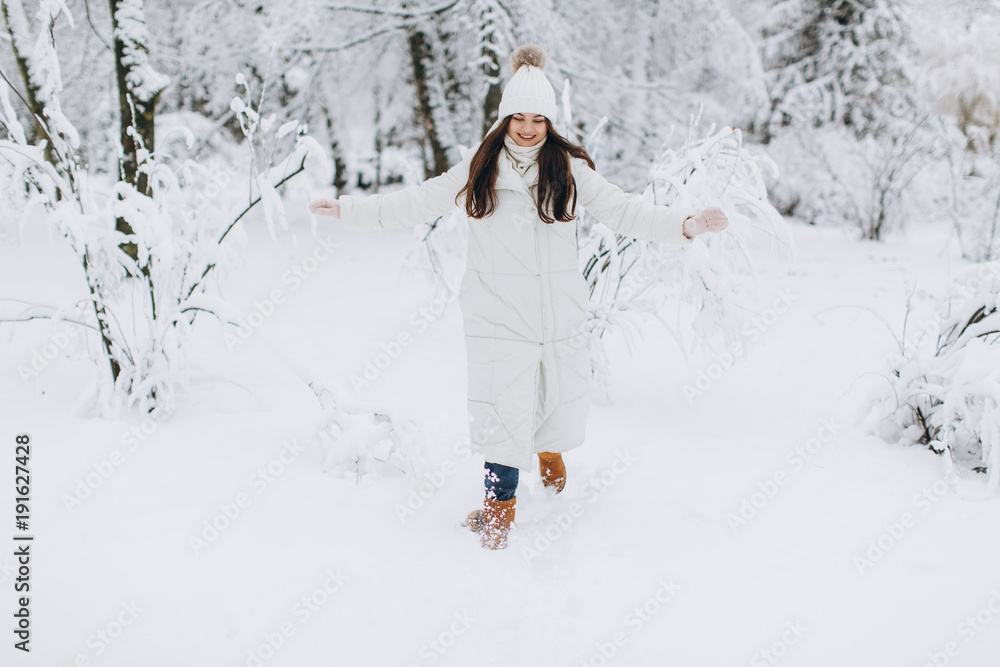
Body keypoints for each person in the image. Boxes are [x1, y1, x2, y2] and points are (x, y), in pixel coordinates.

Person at [309, 44, 728, 550]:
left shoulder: (568, 170)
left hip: (557, 314)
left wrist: (684, 224)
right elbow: (415, 202)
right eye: (518, 118)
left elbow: (625, 211)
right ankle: (498, 510)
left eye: (538, 119)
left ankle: (551, 461)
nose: (527, 128)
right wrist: (348, 210)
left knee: (555, 402)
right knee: (503, 413)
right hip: (497, 314)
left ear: (550, 122)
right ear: (504, 118)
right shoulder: (477, 167)